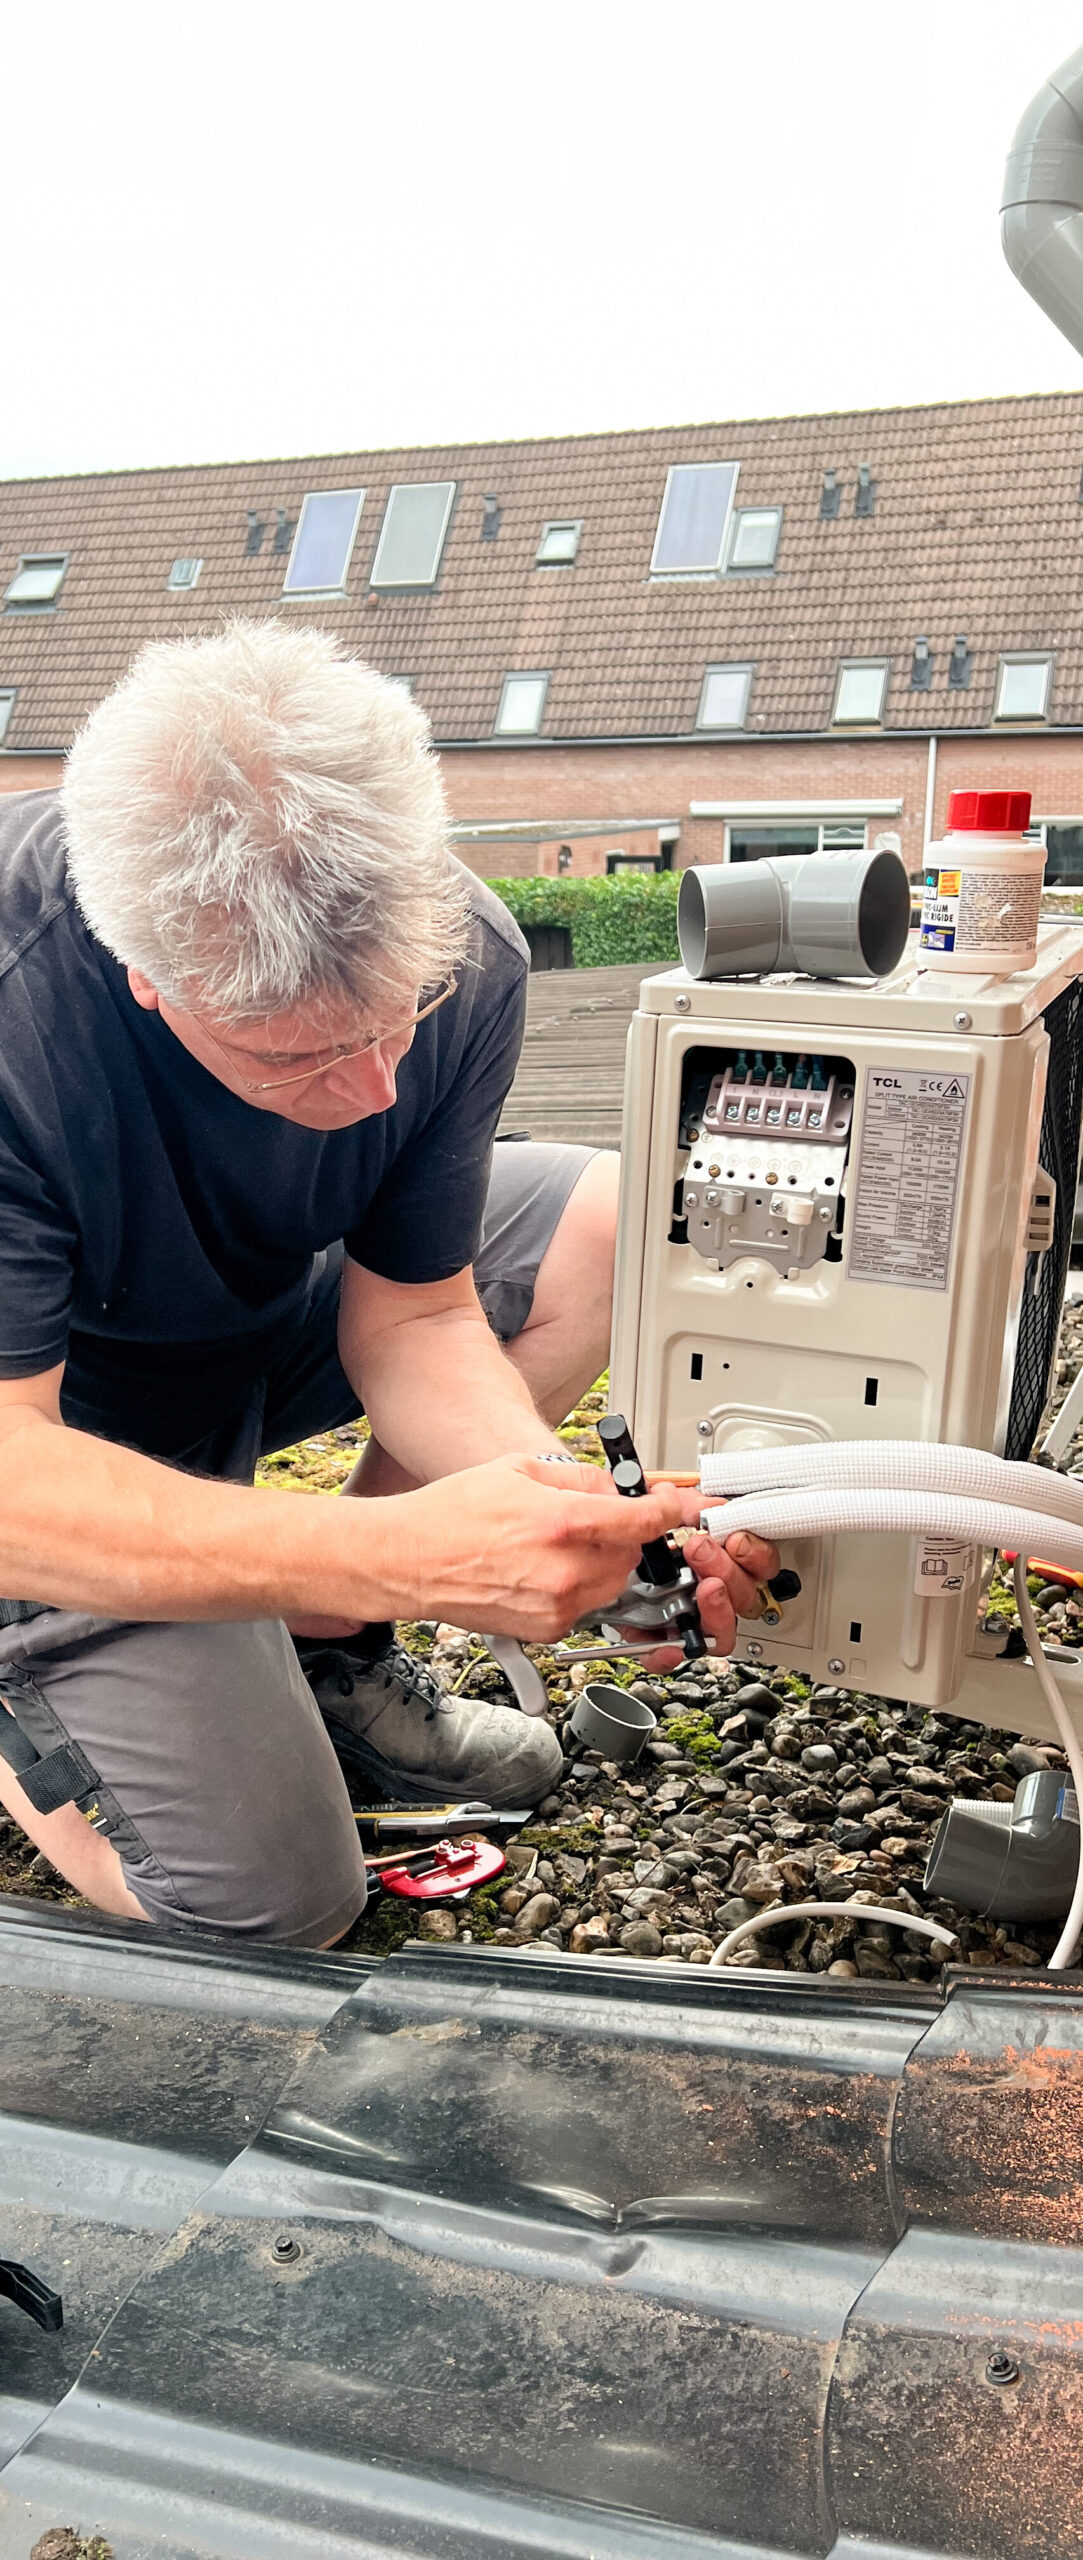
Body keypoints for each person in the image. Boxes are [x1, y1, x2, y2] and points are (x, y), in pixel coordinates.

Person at [0, 623, 775, 1946]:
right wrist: (400, 1551)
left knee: (600, 1217)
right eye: (292, 1061)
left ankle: (321, 1636)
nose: (369, 1093)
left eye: (396, 1021)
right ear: (147, 982)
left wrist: (582, 1519)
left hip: (233, 1321)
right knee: (269, 1910)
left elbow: (414, 1315)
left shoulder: (459, 947)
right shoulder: (22, 1013)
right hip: (51, 1440)